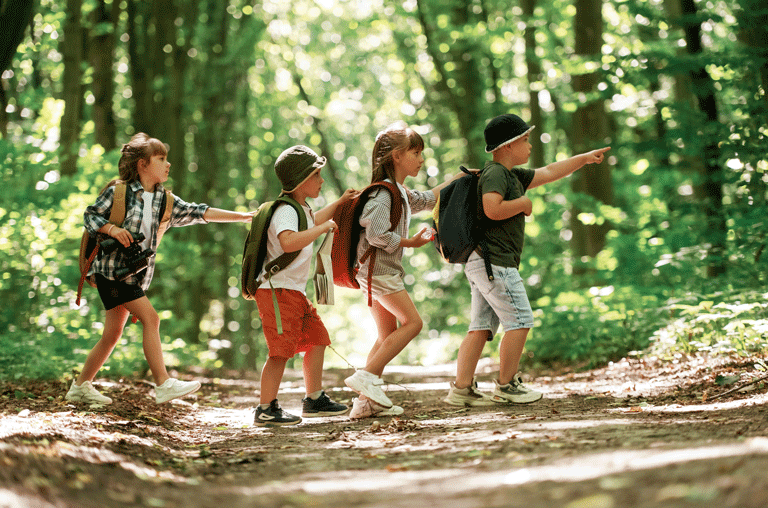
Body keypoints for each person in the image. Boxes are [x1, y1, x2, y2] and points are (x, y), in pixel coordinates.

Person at [66, 133, 254, 405]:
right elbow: (90, 215)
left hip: (131, 275)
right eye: (161, 158)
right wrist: (113, 230)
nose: (168, 164)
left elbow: (200, 212)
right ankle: (163, 383)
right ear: (143, 164)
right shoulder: (118, 192)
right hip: (110, 271)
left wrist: (244, 217)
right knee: (151, 319)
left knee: (112, 334)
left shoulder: (164, 200)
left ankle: (80, 387)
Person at [444, 113, 610, 407]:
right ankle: (506, 386)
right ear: (507, 145)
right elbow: (492, 209)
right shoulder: (496, 174)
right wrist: (522, 203)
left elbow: (549, 171)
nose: (530, 145)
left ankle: (462, 390)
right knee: (520, 320)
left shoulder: (512, 175)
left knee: (481, 326)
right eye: (525, 139)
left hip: (482, 261)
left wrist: (584, 159)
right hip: (494, 262)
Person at [345, 122, 467, 419]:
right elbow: (376, 234)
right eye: (416, 153)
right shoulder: (383, 194)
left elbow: (428, 198)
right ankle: (367, 377)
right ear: (397, 156)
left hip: (374, 272)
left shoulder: (399, 191)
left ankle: (365, 402)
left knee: (386, 334)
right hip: (379, 272)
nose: (421, 159)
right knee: (413, 323)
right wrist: (409, 242)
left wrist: (460, 179)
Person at [253, 145, 356, 427]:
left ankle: (314, 399)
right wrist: (321, 230)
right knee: (280, 351)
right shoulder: (285, 211)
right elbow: (288, 242)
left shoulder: (300, 208)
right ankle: (265, 408)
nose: (321, 180)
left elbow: (315, 220)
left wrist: (339, 203)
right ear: (301, 180)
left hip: (293, 291)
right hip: (277, 290)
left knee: (317, 338)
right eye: (316, 175)